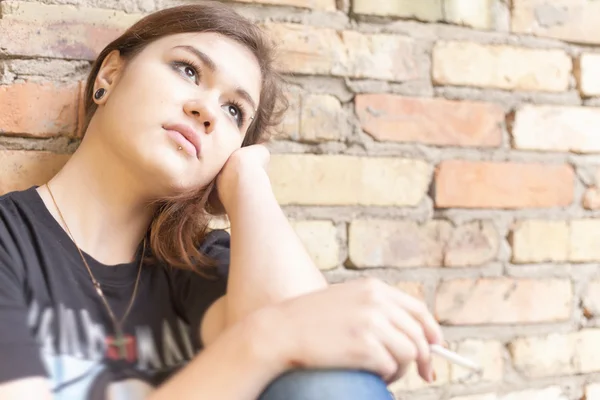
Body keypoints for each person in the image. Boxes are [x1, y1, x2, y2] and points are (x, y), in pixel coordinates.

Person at [0, 1, 444, 399]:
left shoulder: (202, 264)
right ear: (110, 76)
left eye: (235, 112)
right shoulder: (10, 241)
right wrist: (264, 340)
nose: (208, 110)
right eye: (188, 70)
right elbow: (287, 330)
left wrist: (248, 181)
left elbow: (326, 374)